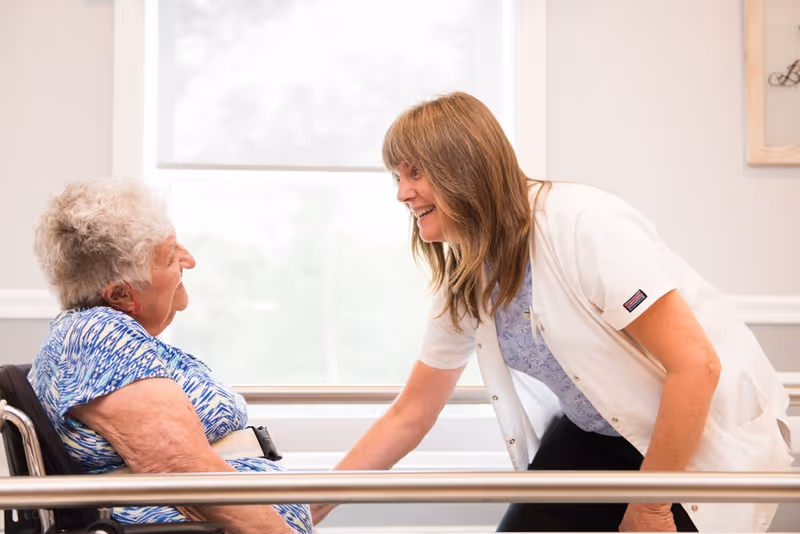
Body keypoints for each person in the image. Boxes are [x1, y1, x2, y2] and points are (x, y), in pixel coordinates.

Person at [311, 92, 793, 533]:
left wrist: (651, 506)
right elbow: (410, 413)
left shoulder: (581, 224)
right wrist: (308, 507)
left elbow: (696, 365)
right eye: (397, 177)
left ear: (464, 168)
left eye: (415, 173)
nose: (401, 193)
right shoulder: (468, 274)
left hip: (690, 438)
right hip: (595, 434)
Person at [30, 179, 312, 534]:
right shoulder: (98, 335)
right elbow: (182, 467)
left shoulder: (103, 337)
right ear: (121, 294)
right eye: (170, 254)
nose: (189, 260)